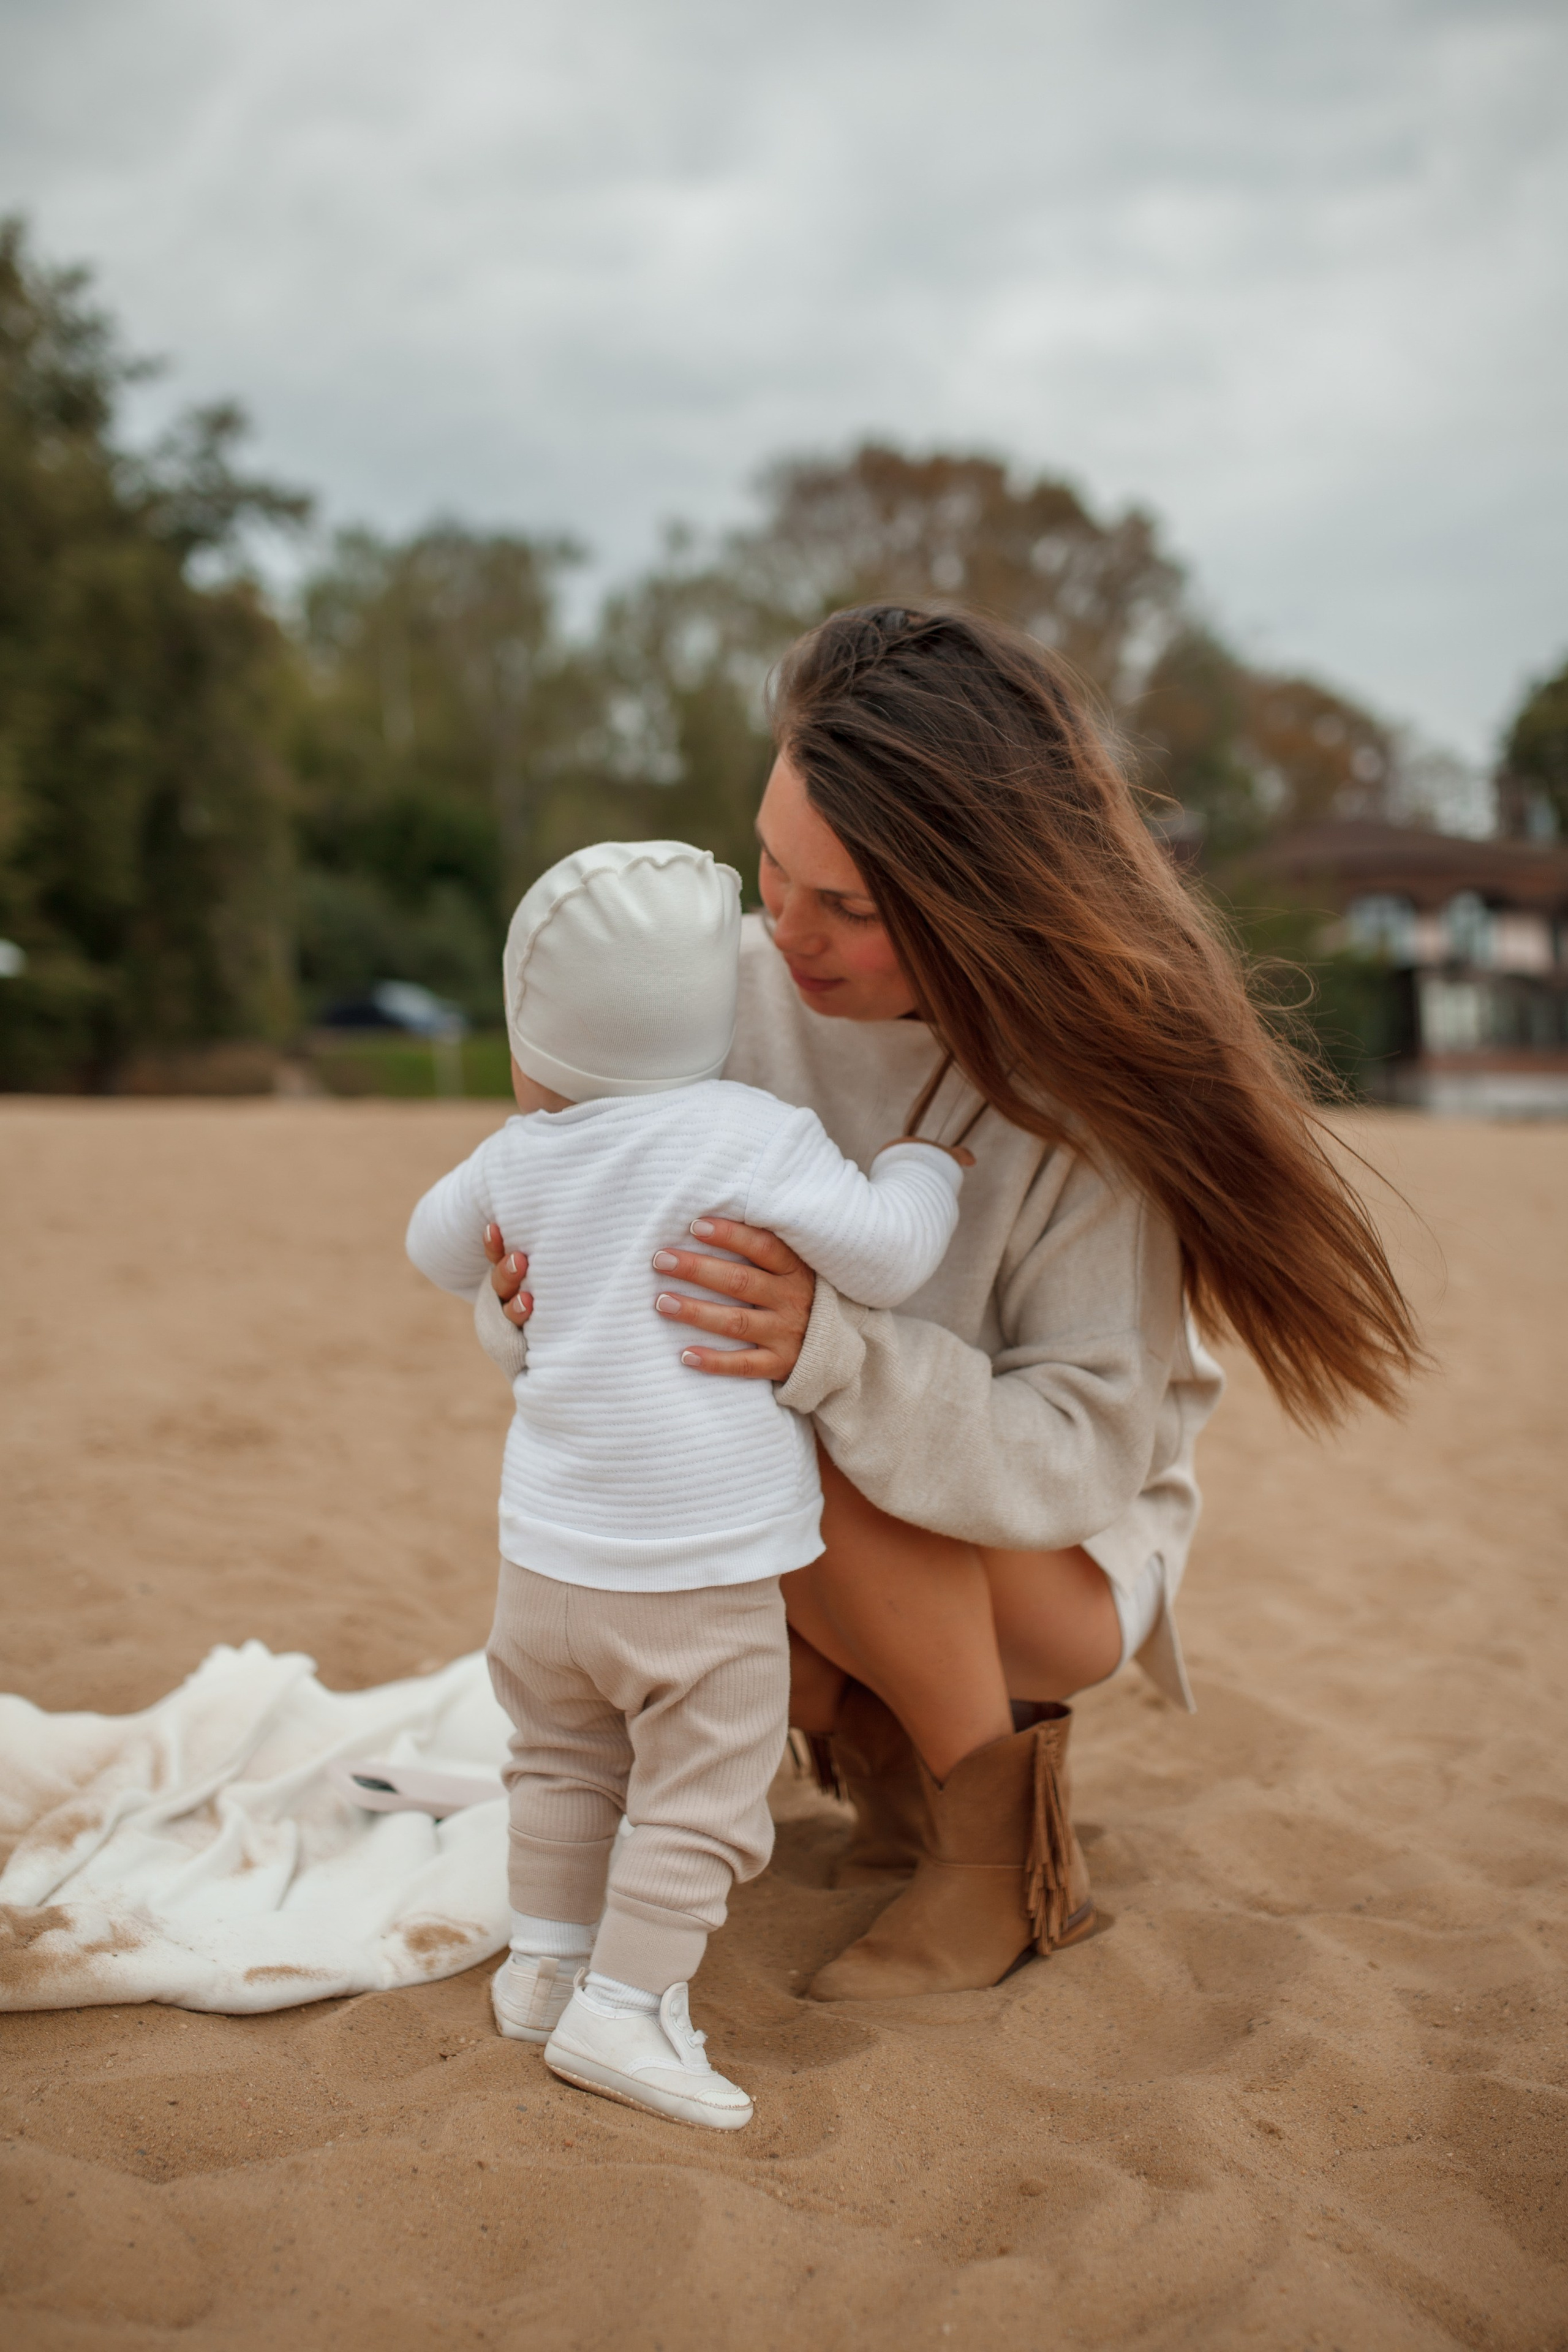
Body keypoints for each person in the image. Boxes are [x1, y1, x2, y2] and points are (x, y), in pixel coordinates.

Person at [477, 606, 1420, 2005]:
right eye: (767, 869)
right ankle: (872, 1740)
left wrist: (830, 1353)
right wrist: (532, 1295)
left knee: (767, 1408)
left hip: (1050, 1563)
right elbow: (597, 1317)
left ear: (972, 903)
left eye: (847, 907)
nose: (783, 929)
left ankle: (996, 1848)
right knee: (683, 1450)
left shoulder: (1085, 1108)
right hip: (815, 1526)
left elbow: (1078, 1454)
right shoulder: (707, 1002)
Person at [405, 839, 968, 2130]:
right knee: (700, 1794)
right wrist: (917, 1172)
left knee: (557, 1760)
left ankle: (545, 1970)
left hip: (541, 1569)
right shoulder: (748, 1133)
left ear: (530, 1039)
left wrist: (508, 1250)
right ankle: (628, 2006)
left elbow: (431, 1249)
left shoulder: (514, 1153)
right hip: (694, 1579)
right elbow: (882, 1260)